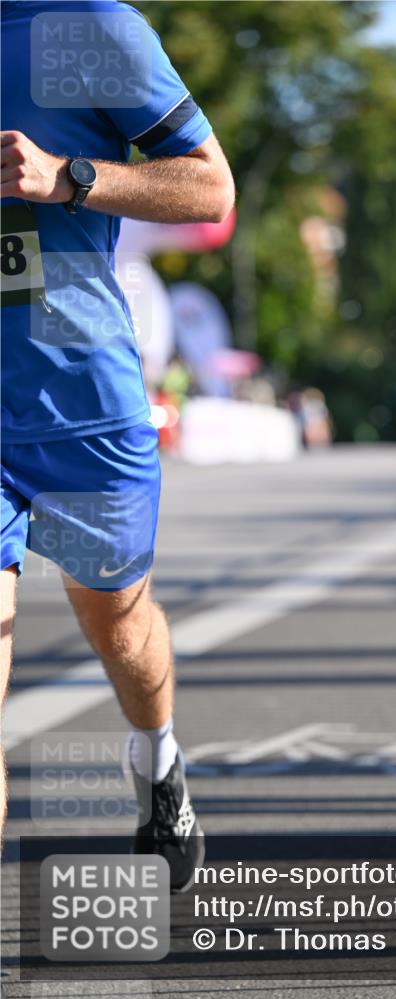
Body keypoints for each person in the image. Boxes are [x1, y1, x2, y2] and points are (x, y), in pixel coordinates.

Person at [0, 0, 235, 892]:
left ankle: (158, 759)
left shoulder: (92, 26)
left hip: (79, 405)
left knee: (121, 626)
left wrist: (67, 178)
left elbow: (210, 188)